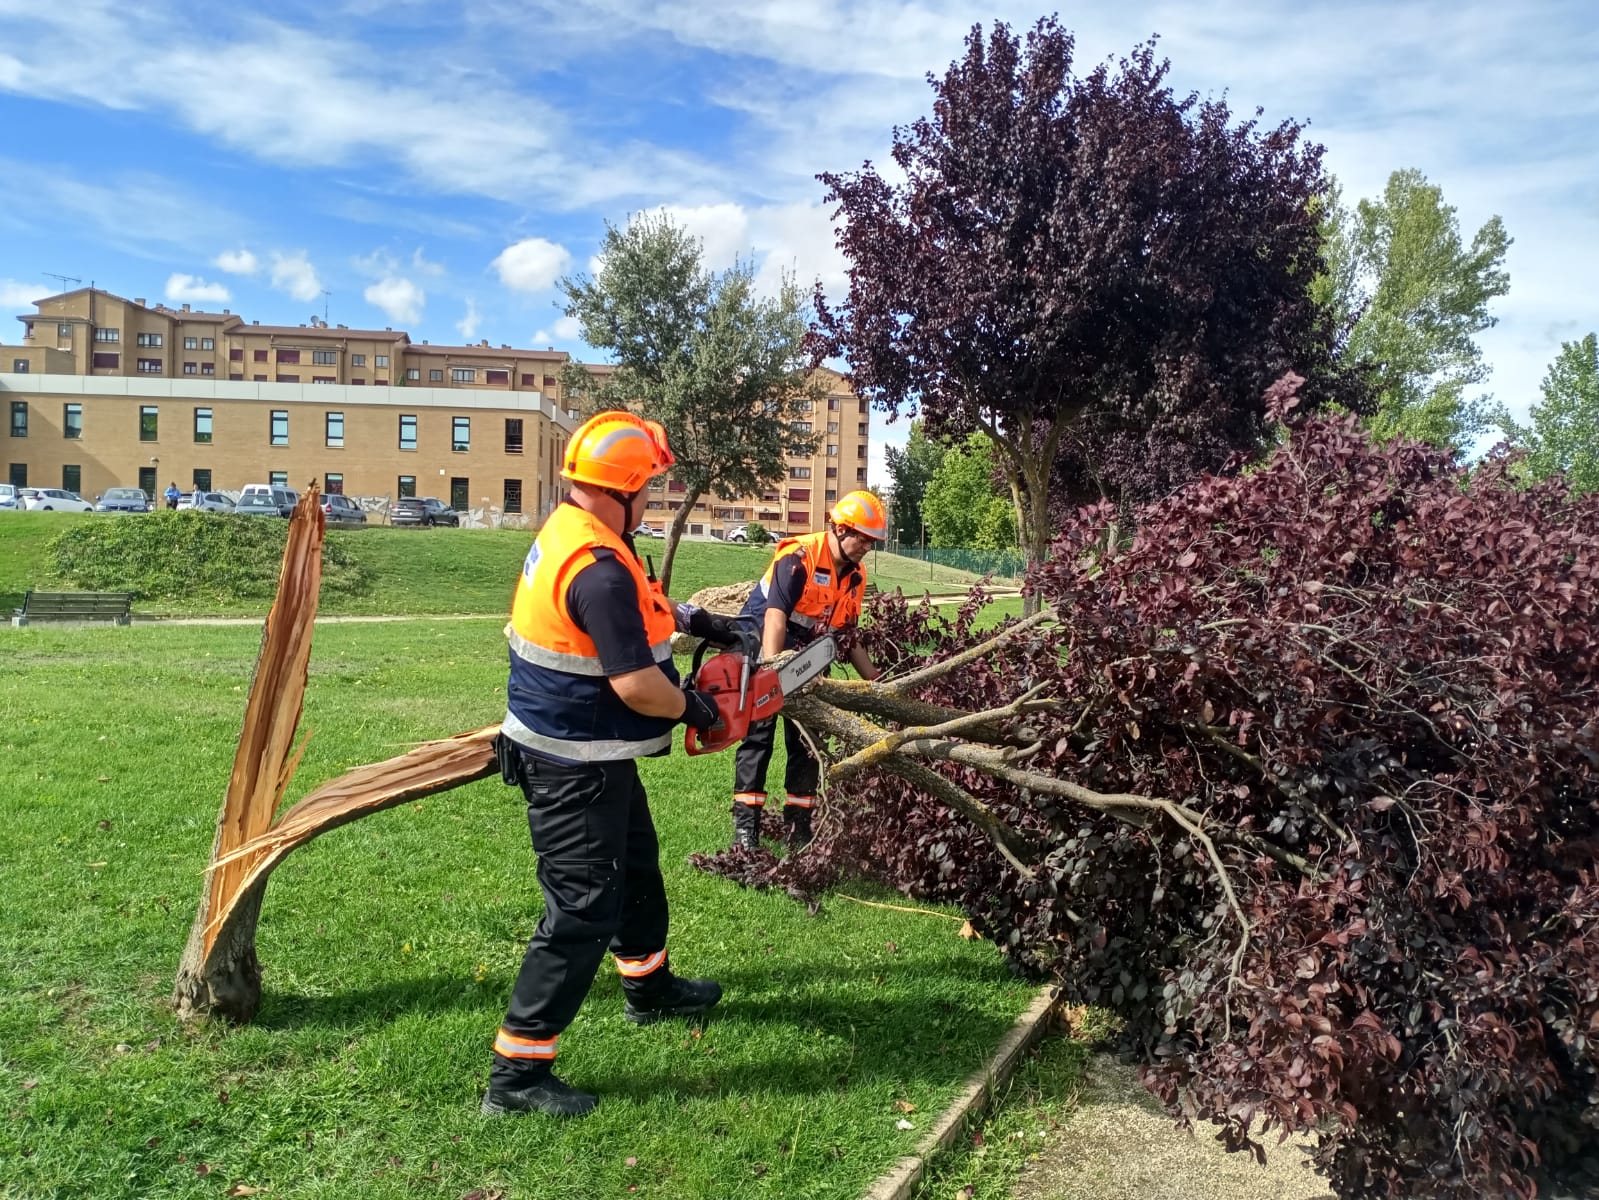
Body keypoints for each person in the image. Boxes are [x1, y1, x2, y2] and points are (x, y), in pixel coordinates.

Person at [484, 410, 739, 1120]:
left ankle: (647, 987)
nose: (653, 497)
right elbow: (635, 685)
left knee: (636, 868)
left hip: (595, 754)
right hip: (573, 765)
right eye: (648, 486)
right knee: (579, 912)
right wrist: (693, 708)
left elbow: (638, 605)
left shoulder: (585, 534)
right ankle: (516, 1075)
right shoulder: (594, 566)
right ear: (623, 488)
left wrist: (697, 620)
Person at [730, 490, 887, 850]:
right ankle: (745, 830)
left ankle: (798, 827)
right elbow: (775, 617)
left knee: (807, 741)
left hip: (809, 659)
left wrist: (876, 683)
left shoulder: (856, 576)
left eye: (872, 542)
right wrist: (773, 669)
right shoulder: (798, 559)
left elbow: (848, 634)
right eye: (863, 538)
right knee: (758, 738)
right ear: (841, 528)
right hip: (763, 646)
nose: (867, 547)